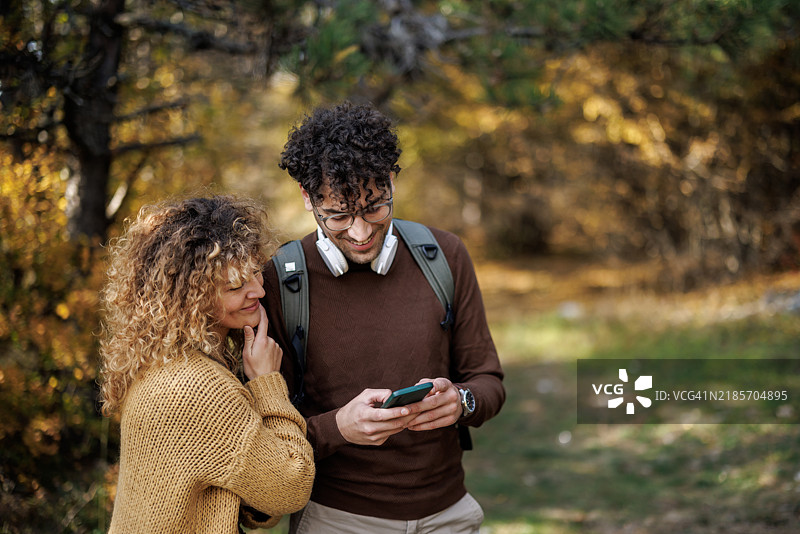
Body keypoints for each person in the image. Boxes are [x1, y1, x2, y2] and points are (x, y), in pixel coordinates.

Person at [262, 101, 505, 533]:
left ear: (391, 181)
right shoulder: (280, 281)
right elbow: (265, 430)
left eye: (375, 208)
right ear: (307, 198)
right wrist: (337, 427)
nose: (360, 233)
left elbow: (488, 381)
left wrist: (461, 401)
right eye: (338, 216)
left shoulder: (445, 255)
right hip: (337, 518)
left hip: (449, 513)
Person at [99, 195, 315, 534]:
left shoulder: (163, 361)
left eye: (256, 273)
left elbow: (237, 495)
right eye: (235, 286)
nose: (258, 291)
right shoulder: (199, 388)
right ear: (192, 297)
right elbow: (290, 486)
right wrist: (268, 382)